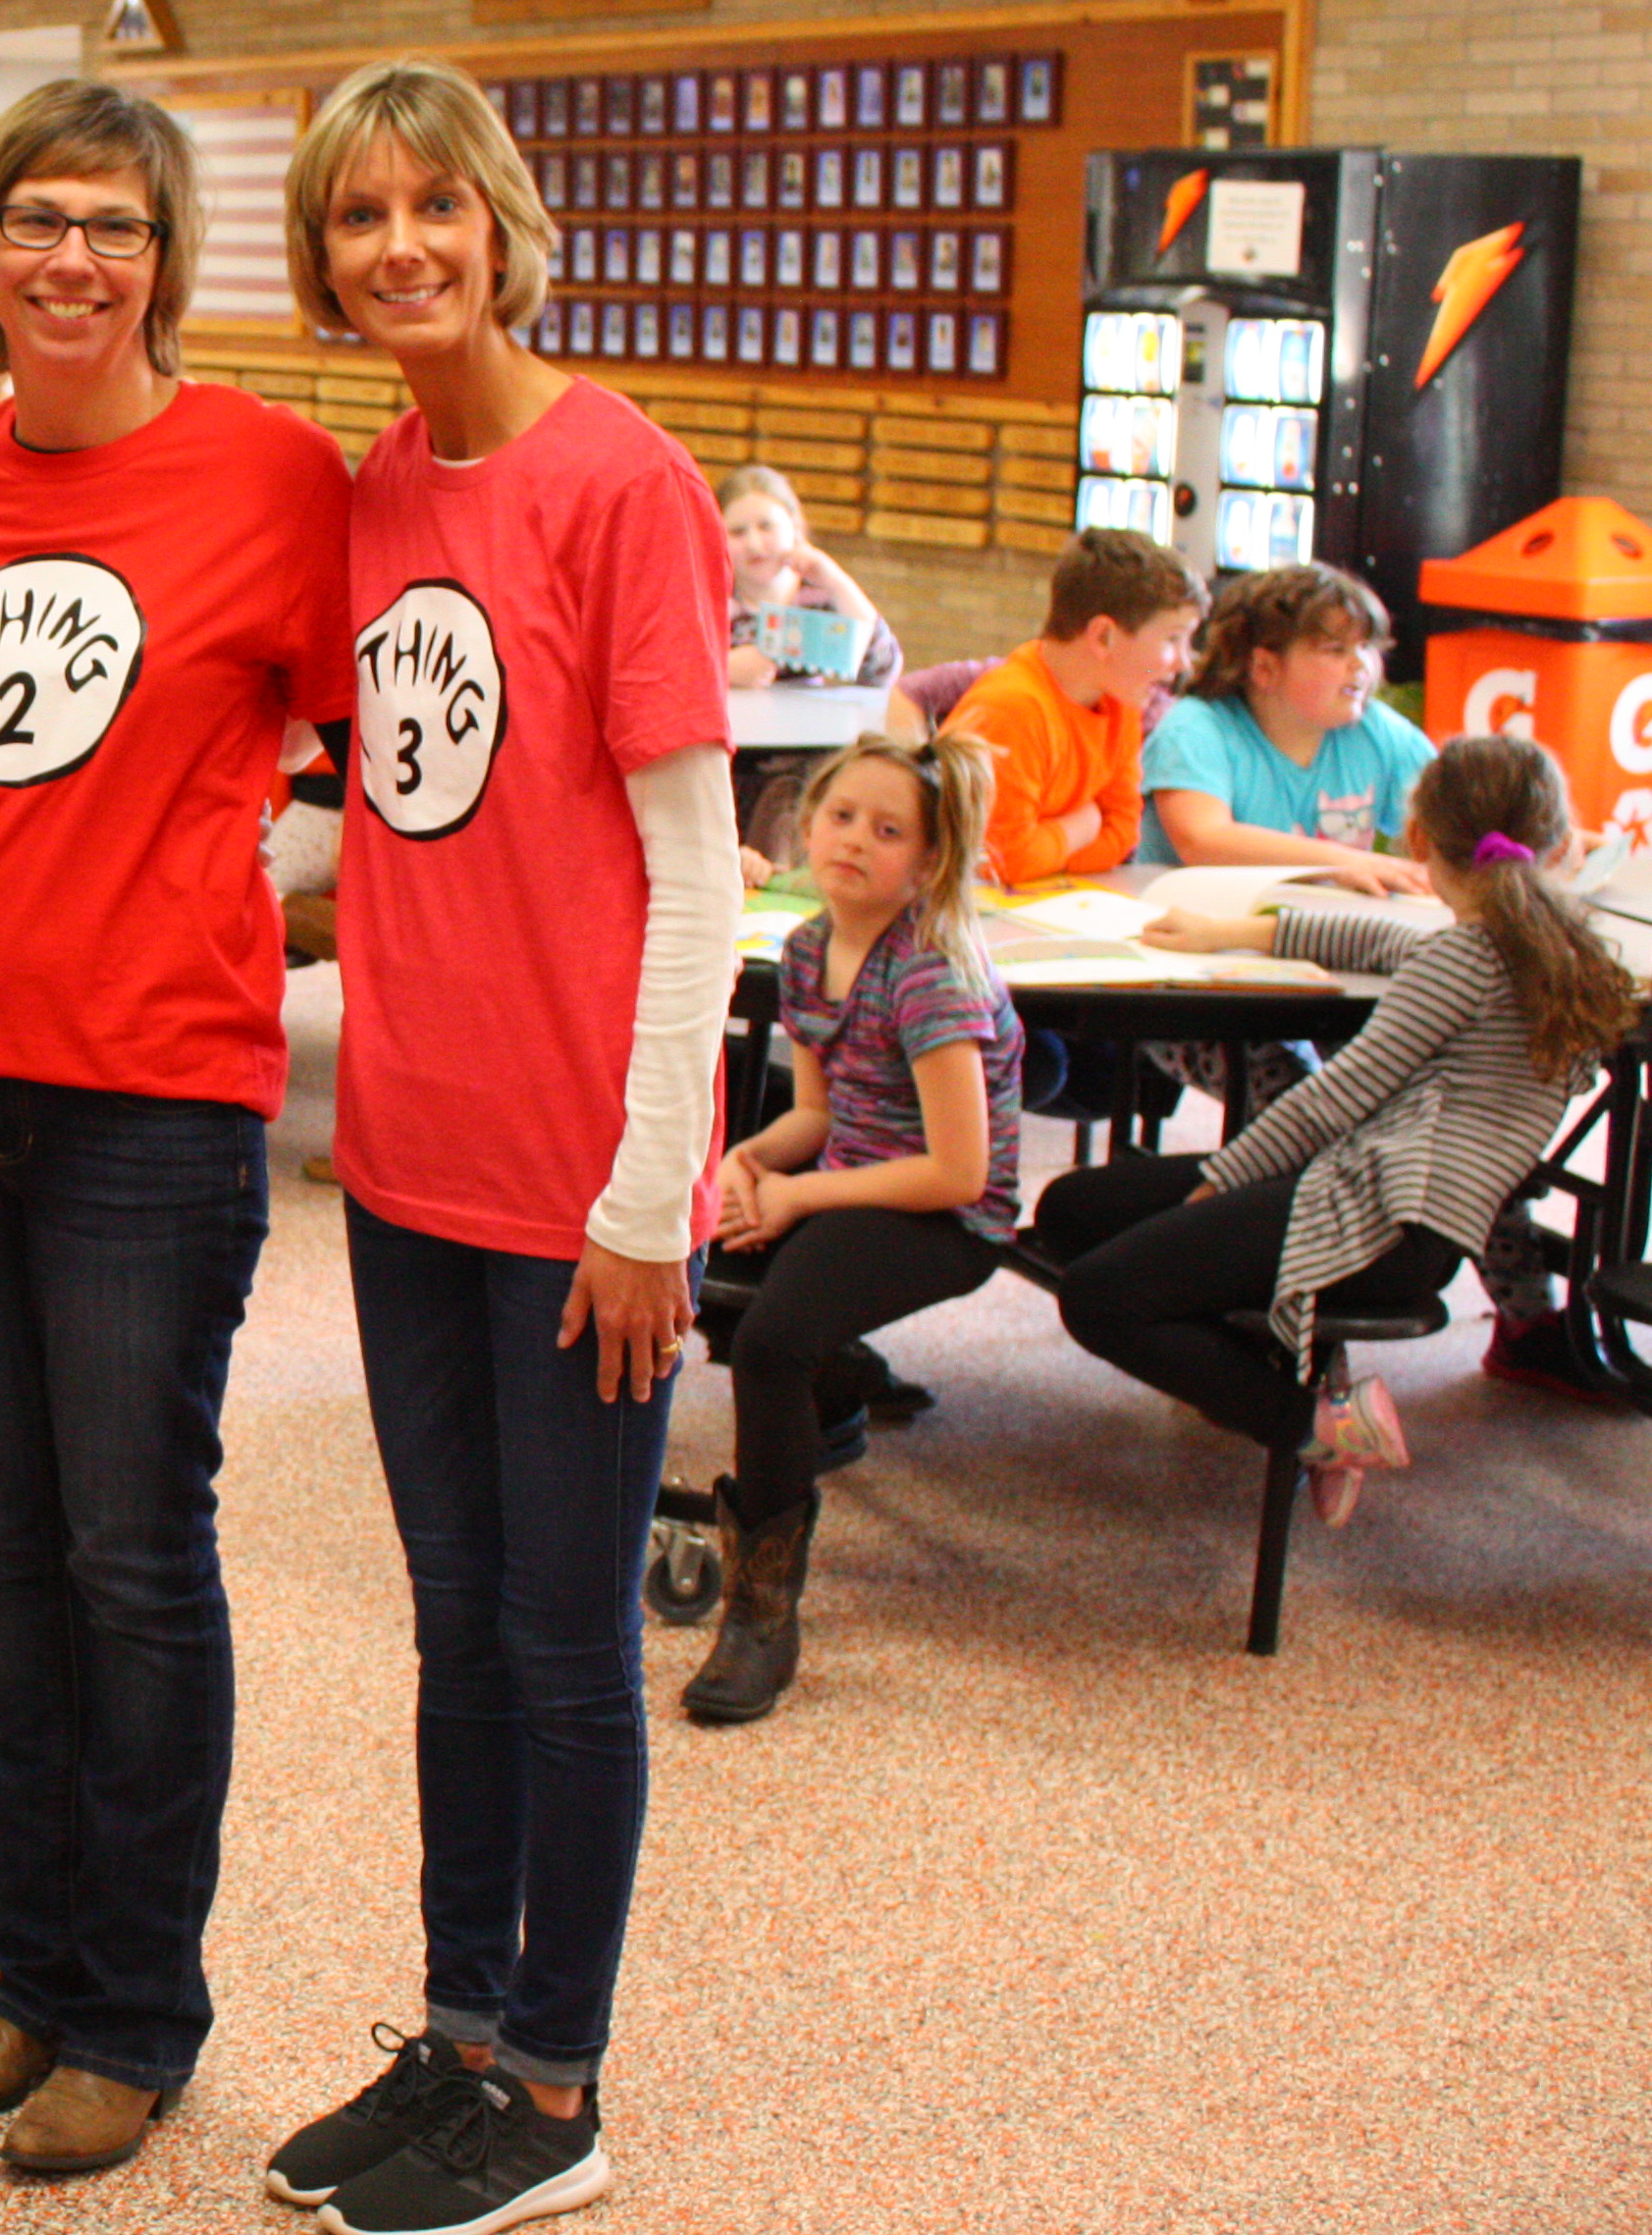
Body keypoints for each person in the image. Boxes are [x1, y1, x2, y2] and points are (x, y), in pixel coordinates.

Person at [259, 57, 734, 2235]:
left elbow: (700, 877)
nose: (398, 248)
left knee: (563, 1639)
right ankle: (460, 2023)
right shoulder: (376, 488)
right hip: (410, 1164)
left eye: (431, 205)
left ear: (501, 219)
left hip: (579, 1196)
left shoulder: (616, 480)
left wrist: (651, 1197)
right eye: (357, 216)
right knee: (458, 1624)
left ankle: (560, 2069)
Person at [0, 80, 352, 2179]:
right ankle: (33, 1965)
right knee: (11, 1544)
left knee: (133, 1549)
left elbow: (391, 749)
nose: (73, 261)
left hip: (152, 1096)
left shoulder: (268, 473)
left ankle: (139, 2004)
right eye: (36, 223)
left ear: (166, 256)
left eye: (115, 227)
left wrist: (243, 892)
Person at [1038, 733, 1638, 1525]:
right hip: (1395, 1212)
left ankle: (1319, 1427)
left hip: (1378, 1220)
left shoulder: (1465, 959)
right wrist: (1244, 933)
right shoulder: (1554, 954)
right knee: (1073, 1210)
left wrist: (1217, 1184)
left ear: (1418, 841)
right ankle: (1281, 1361)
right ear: (1559, 845)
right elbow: (1388, 942)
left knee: (1097, 1297)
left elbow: (1334, 1100)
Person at [688, 732, 1021, 1726]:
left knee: (775, 1334)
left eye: (889, 832)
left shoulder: (928, 973)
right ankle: (838, 1389)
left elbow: (959, 1171)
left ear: (928, 862)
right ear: (807, 821)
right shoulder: (804, 946)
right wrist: (748, 1165)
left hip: (944, 1215)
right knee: (703, 1257)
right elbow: (821, 1116)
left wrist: (796, 1199)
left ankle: (761, 1615)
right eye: (841, 817)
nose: (854, 843)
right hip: (856, 1176)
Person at [1136, 562, 1438, 895]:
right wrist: (1342, 862)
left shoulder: (1380, 733)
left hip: (1309, 933)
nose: (1361, 665)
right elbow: (1202, 839)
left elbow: (1453, 829)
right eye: (1336, 650)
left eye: (1366, 646)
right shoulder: (1196, 729)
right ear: (1265, 668)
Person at [948, 528, 1201, 885]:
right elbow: (1003, 861)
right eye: (1173, 639)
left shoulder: (1121, 700)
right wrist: (1084, 824)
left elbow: (1124, 833)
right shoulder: (1013, 709)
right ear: (1103, 637)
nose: (1184, 663)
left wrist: (1049, 846)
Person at [717, 466, 896, 691]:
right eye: (737, 532)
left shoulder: (819, 594)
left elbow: (881, 673)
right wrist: (722, 668)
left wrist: (837, 583)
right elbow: (669, 674)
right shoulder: (709, 603)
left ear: (795, 527)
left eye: (766, 526)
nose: (754, 544)